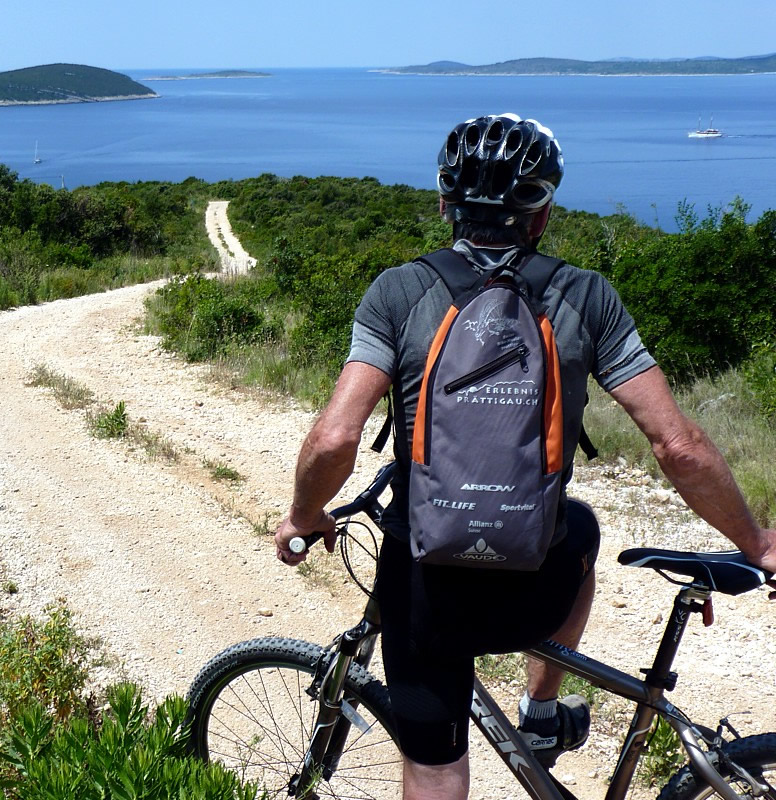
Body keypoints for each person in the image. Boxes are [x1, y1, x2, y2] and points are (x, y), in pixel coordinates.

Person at [272, 113, 776, 800]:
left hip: (426, 591)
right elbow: (677, 445)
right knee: (584, 526)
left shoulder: (398, 292)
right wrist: (755, 539)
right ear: (540, 216)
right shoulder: (587, 297)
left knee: (434, 766)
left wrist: (303, 514)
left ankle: (518, 723)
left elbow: (335, 439)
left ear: (445, 204)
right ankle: (542, 710)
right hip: (538, 588)